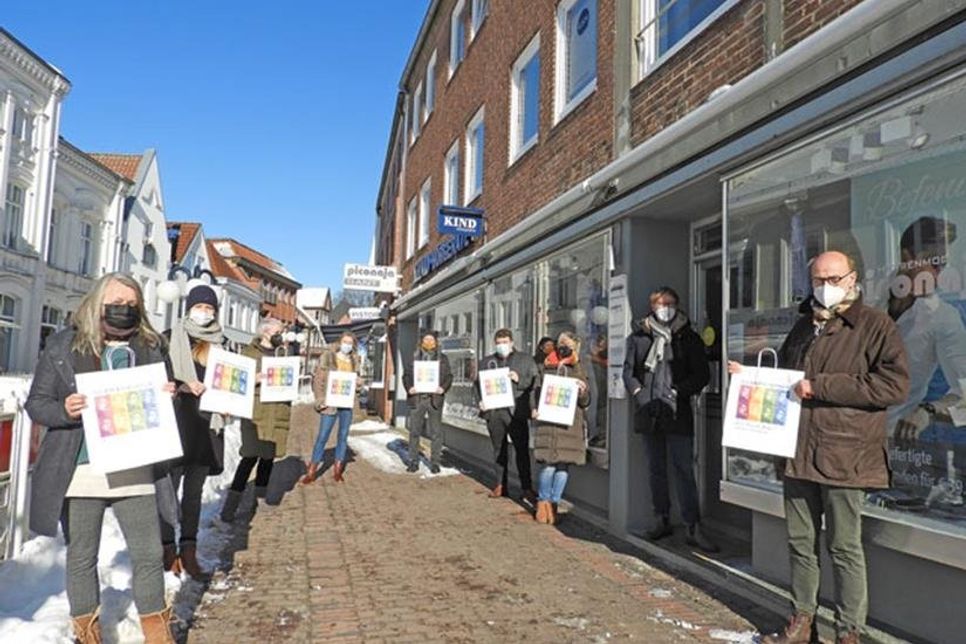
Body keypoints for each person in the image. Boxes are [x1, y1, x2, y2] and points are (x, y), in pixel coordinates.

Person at [730, 251, 909, 644]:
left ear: (852, 278)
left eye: (833, 278)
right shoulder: (802, 326)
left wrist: (822, 386)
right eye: (817, 280)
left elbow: (894, 386)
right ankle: (802, 620)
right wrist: (752, 378)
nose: (825, 287)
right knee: (799, 543)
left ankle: (848, 631)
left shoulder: (875, 325)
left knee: (844, 547)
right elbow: (790, 382)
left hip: (846, 454)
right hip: (797, 450)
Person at [25, 272, 177, 643]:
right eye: (116, 303)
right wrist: (65, 409)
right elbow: (36, 404)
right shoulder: (64, 345)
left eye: (131, 304)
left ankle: (157, 634)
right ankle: (87, 634)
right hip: (80, 468)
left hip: (135, 466)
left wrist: (167, 395)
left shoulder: (151, 345)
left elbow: (162, 397)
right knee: (82, 556)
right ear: (97, 301)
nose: (123, 310)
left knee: (147, 554)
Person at [623, 286, 716, 552]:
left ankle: (692, 526)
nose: (665, 307)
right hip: (648, 412)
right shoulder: (639, 337)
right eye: (660, 303)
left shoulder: (689, 338)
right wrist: (640, 395)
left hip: (677, 411)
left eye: (670, 303)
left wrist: (677, 392)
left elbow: (702, 375)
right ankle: (661, 518)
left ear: (677, 305)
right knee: (656, 469)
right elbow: (629, 373)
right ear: (651, 307)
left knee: (684, 469)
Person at [162, 284, 226, 578]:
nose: (205, 313)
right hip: (175, 424)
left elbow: (228, 383)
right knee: (167, 493)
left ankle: (189, 551)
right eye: (200, 307)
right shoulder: (169, 339)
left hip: (205, 428)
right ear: (190, 309)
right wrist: (184, 386)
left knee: (193, 496)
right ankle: (166, 550)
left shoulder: (221, 345)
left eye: (210, 309)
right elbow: (158, 380)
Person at [220, 318, 292, 522]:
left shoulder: (282, 354)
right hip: (256, 412)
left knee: (268, 457)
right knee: (250, 456)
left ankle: (259, 500)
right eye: (279, 330)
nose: (282, 334)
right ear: (266, 332)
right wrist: (255, 379)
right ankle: (230, 506)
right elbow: (236, 382)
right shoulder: (249, 353)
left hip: (277, 410)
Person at [531, 331, 591, 525]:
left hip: (569, 424)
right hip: (548, 421)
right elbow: (536, 390)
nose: (563, 347)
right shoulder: (546, 364)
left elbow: (586, 400)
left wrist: (582, 392)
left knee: (563, 466)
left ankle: (554, 503)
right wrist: (534, 408)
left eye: (568, 345)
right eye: (561, 343)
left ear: (575, 348)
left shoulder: (579, 367)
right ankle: (543, 501)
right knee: (548, 466)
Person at [475, 328, 538, 501]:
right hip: (495, 412)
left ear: (511, 343)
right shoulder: (486, 362)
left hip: (516, 411)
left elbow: (534, 382)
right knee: (499, 450)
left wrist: (519, 380)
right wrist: (480, 401)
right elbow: (477, 385)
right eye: (499, 343)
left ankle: (526, 487)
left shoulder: (525, 360)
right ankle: (500, 484)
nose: (502, 345)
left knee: (522, 451)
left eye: (505, 342)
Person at [304, 332, 360, 483]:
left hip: (346, 404)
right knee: (323, 436)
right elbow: (318, 381)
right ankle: (311, 471)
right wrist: (320, 400)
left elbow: (355, 382)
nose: (347, 345)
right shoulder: (328, 358)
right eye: (345, 342)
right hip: (330, 403)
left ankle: (337, 469)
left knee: (343, 437)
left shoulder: (354, 361)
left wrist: (358, 384)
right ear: (339, 342)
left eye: (350, 343)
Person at [403, 330, 453, 474]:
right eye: (426, 340)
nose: (429, 342)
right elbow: (406, 376)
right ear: (421, 342)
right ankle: (413, 461)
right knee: (414, 432)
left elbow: (449, 377)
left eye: (431, 340)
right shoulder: (414, 357)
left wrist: (443, 388)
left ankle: (435, 462)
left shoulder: (442, 358)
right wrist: (409, 388)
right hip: (417, 398)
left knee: (436, 433)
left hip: (434, 399)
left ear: (436, 342)